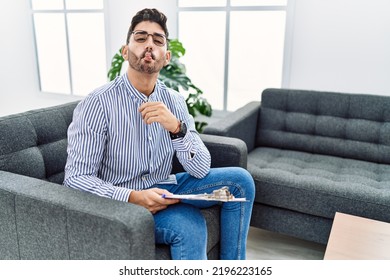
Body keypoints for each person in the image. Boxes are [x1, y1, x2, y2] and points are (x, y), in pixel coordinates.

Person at [64, 8, 255, 260]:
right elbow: (76, 178)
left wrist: (177, 128)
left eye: (157, 40)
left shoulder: (174, 101)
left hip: (164, 186)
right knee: (190, 225)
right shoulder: (97, 103)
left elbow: (200, 169)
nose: (149, 45)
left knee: (241, 181)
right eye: (140, 38)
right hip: (121, 199)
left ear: (166, 57)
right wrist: (133, 197)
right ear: (125, 51)